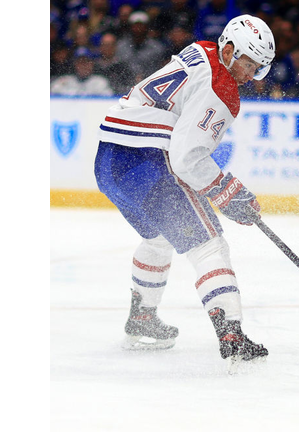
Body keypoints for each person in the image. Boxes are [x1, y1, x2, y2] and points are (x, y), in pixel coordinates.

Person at [93, 15, 276, 364]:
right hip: (146, 162)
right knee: (209, 245)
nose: (250, 75)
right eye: (249, 64)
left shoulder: (202, 50)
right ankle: (232, 334)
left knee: (159, 239)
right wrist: (228, 192)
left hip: (109, 162)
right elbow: (186, 158)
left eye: (258, 68)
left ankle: (142, 318)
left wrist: (222, 190)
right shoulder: (222, 87)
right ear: (228, 50)